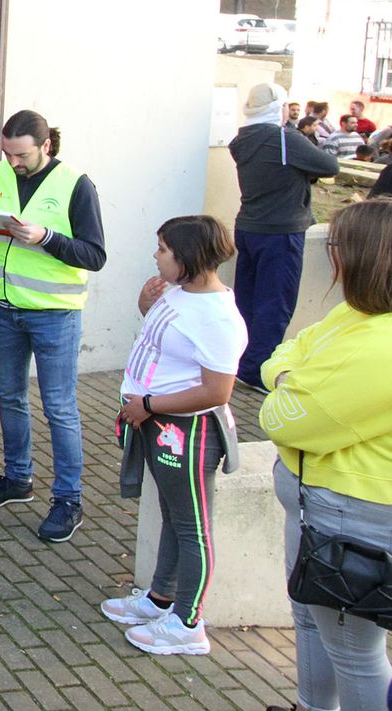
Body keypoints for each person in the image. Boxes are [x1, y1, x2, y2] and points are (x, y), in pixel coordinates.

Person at [260, 197, 392, 711]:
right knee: (308, 617)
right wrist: (289, 376)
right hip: (322, 508)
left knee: (355, 653)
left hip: (355, 518)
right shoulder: (356, 316)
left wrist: (288, 382)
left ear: (367, 257)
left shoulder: (390, 344)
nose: (332, 258)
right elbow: (286, 350)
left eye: (339, 246)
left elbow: (279, 418)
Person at [102, 216, 246, 657]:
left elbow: (216, 390)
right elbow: (166, 344)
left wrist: (148, 406)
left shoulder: (218, 317)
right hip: (160, 426)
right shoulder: (178, 293)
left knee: (192, 526)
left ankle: (187, 621)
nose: (155, 255)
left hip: (187, 431)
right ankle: (159, 597)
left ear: (187, 258)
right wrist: (146, 306)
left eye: (163, 248)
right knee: (171, 514)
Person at [0, 109, 106, 543]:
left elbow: (94, 255)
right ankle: (18, 479)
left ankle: (68, 500)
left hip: (54, 313)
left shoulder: (76, 185)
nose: (13, 163)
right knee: (8, 396)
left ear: (46, 146)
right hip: (3, 306)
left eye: (22, 155)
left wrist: (44, 237)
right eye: (7, 154)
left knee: (59, 407)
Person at [228, 83, 339, 389]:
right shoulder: (284, 139)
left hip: (248, 226)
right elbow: (330, 165)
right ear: (278, 108)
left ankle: (240, 362)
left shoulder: (242, 139)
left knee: (247, 301)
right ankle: (257, 370)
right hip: (282, 231)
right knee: (275, 304)